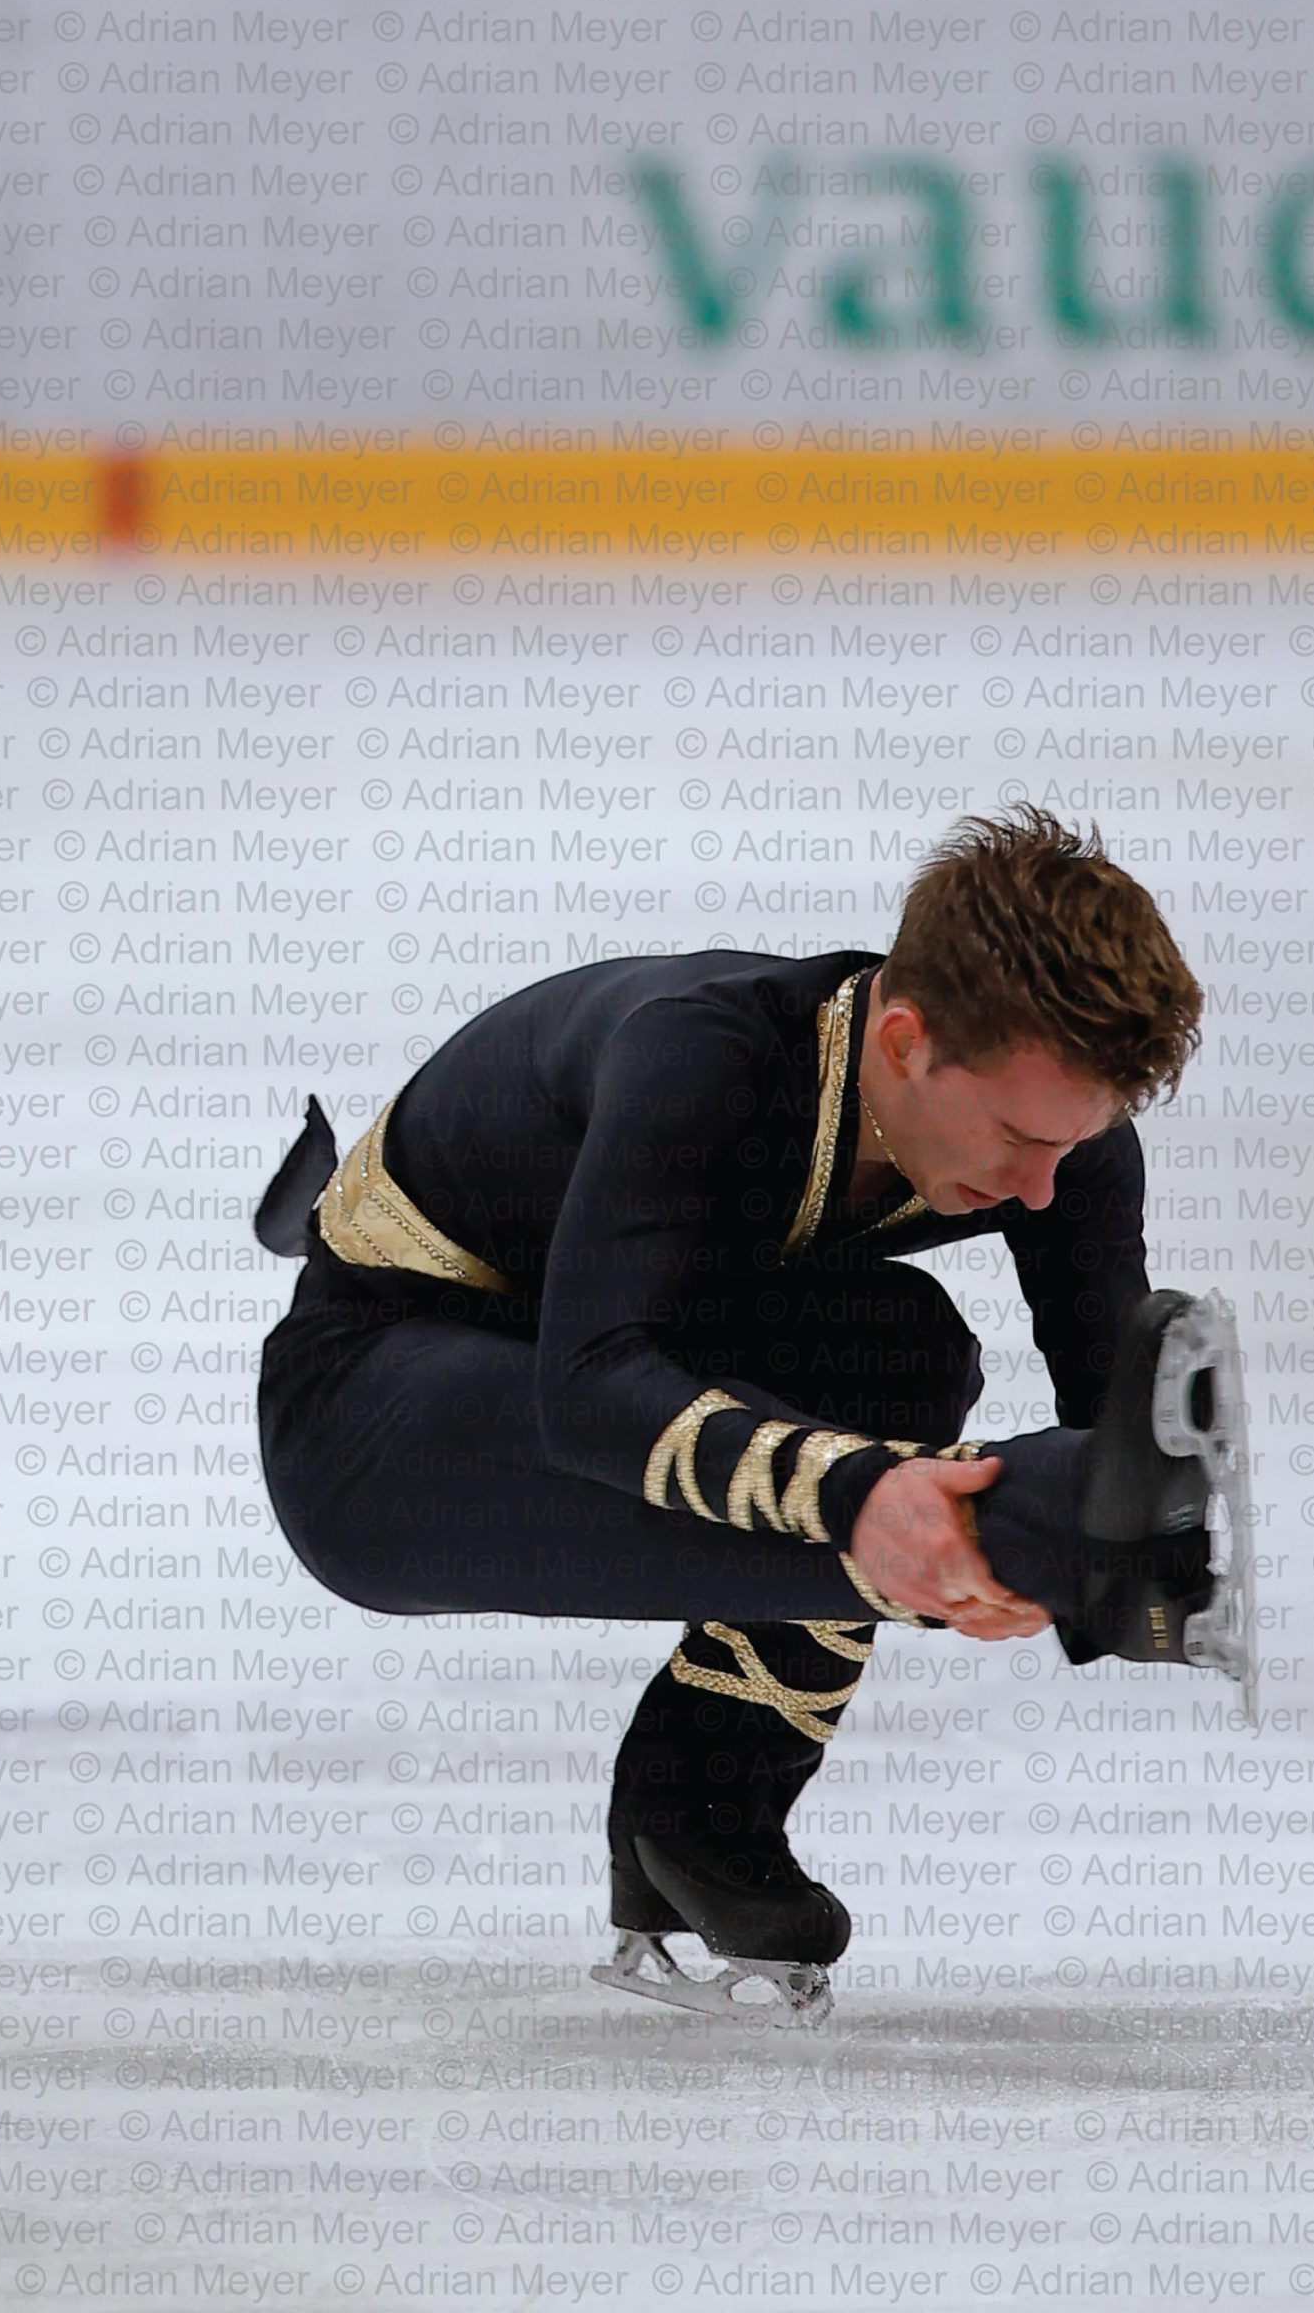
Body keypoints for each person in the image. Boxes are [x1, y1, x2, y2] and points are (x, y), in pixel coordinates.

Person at [252, 805, 1239, 2023]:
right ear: (905, 1039)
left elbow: (1115, 1453)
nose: (1042, 1186)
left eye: (1073, 1143)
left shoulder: (1059, 1148)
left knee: (899, 1351)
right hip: (368, 1418)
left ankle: (699, 1809)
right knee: (886, 1458)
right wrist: (875, 1501)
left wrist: (1139, 1541)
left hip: (593, 1350)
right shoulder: (701, 1057)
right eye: (1020, 1137)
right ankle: (896, 1585)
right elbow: (590, 1388)